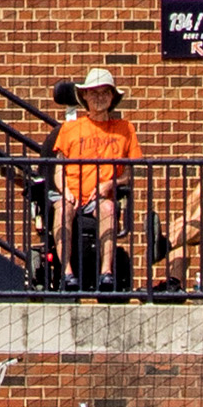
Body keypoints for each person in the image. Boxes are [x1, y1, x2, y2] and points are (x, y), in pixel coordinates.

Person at [45, 73, 135, 298]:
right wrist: (65, 190)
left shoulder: (125, 129)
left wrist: (110, 184)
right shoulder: (69, 129)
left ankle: (106, 273)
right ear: (84, 96)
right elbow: (58, 168)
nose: (99, 97)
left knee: (108, 209)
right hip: (72, 192)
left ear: (112, 97)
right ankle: (67, 274)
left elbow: (129, 174)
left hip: (100, 196)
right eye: (94, 92)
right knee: (63, 208)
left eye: (105, 92)